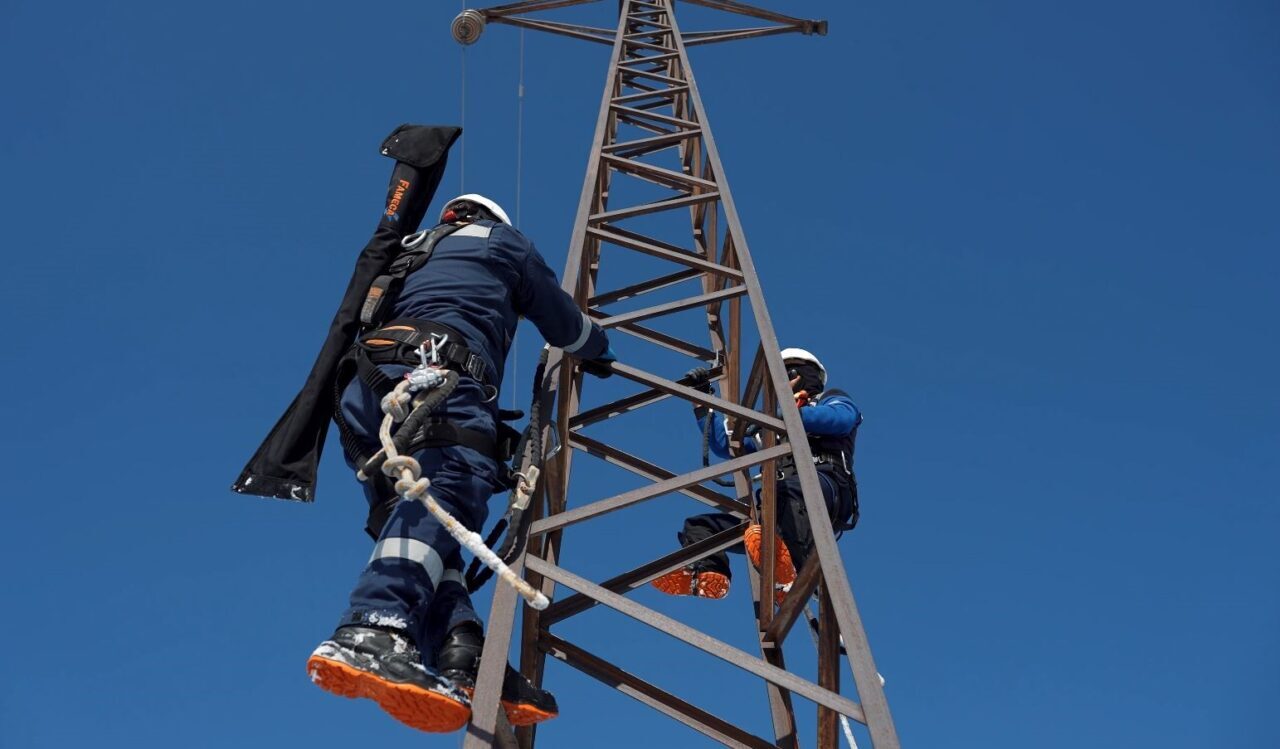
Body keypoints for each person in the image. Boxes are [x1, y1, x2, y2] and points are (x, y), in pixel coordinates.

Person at [231, 125, 614, 735]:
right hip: (439, 374)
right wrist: (597, 348)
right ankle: (373, 626)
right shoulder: (503, 243)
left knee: (419, 518)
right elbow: (561, 320)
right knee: (450, 490)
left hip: (362, 394)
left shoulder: (410, 250)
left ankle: (460, 650)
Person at [652, 348, 859, 602]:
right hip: (780, 501)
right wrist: (701, 399)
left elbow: (842, 419)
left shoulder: (830, 400)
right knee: (700, 526)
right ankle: (709, 573)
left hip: (826, 486)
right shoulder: (769, 426)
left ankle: (790, 571)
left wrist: (788, 414)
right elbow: (725, 443)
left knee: (789, 492)